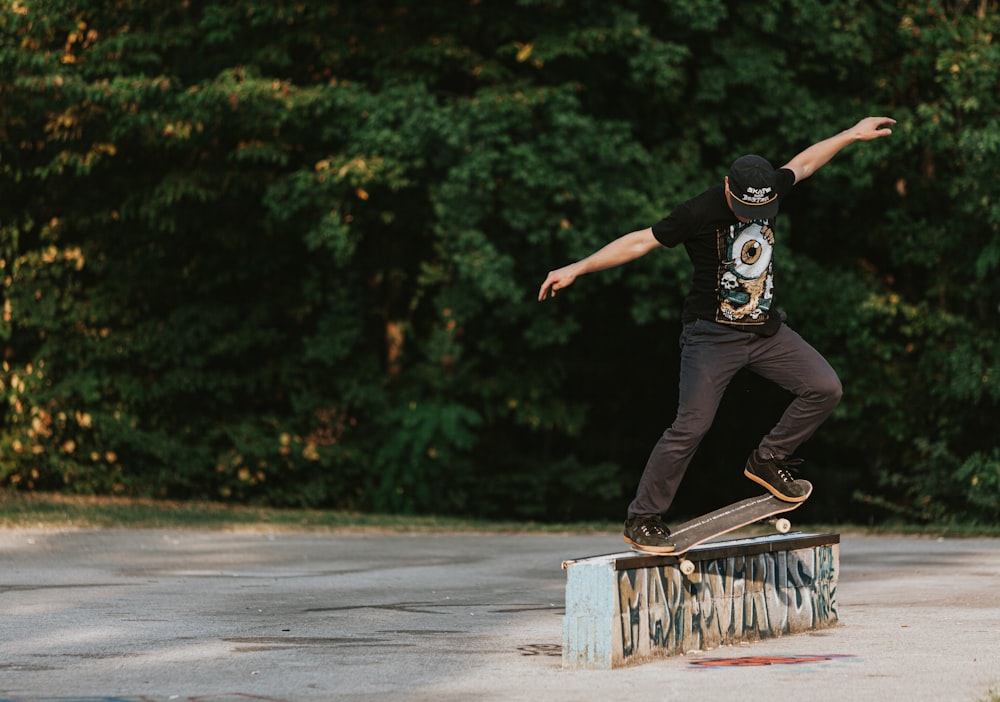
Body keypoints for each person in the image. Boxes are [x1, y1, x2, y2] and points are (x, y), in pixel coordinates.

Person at [537, 116, 896, 554]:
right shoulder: (699, 211)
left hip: (765, 332)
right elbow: (640, 242)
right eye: (745, 210)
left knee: (824, 387)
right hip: (711, 336)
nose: (753, 217)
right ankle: (643, 518)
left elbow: (803, 164)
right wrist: (577, 267)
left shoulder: (770, 187)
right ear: (729, 188)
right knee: (692, 425)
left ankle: (768, 459)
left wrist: (849, 135)